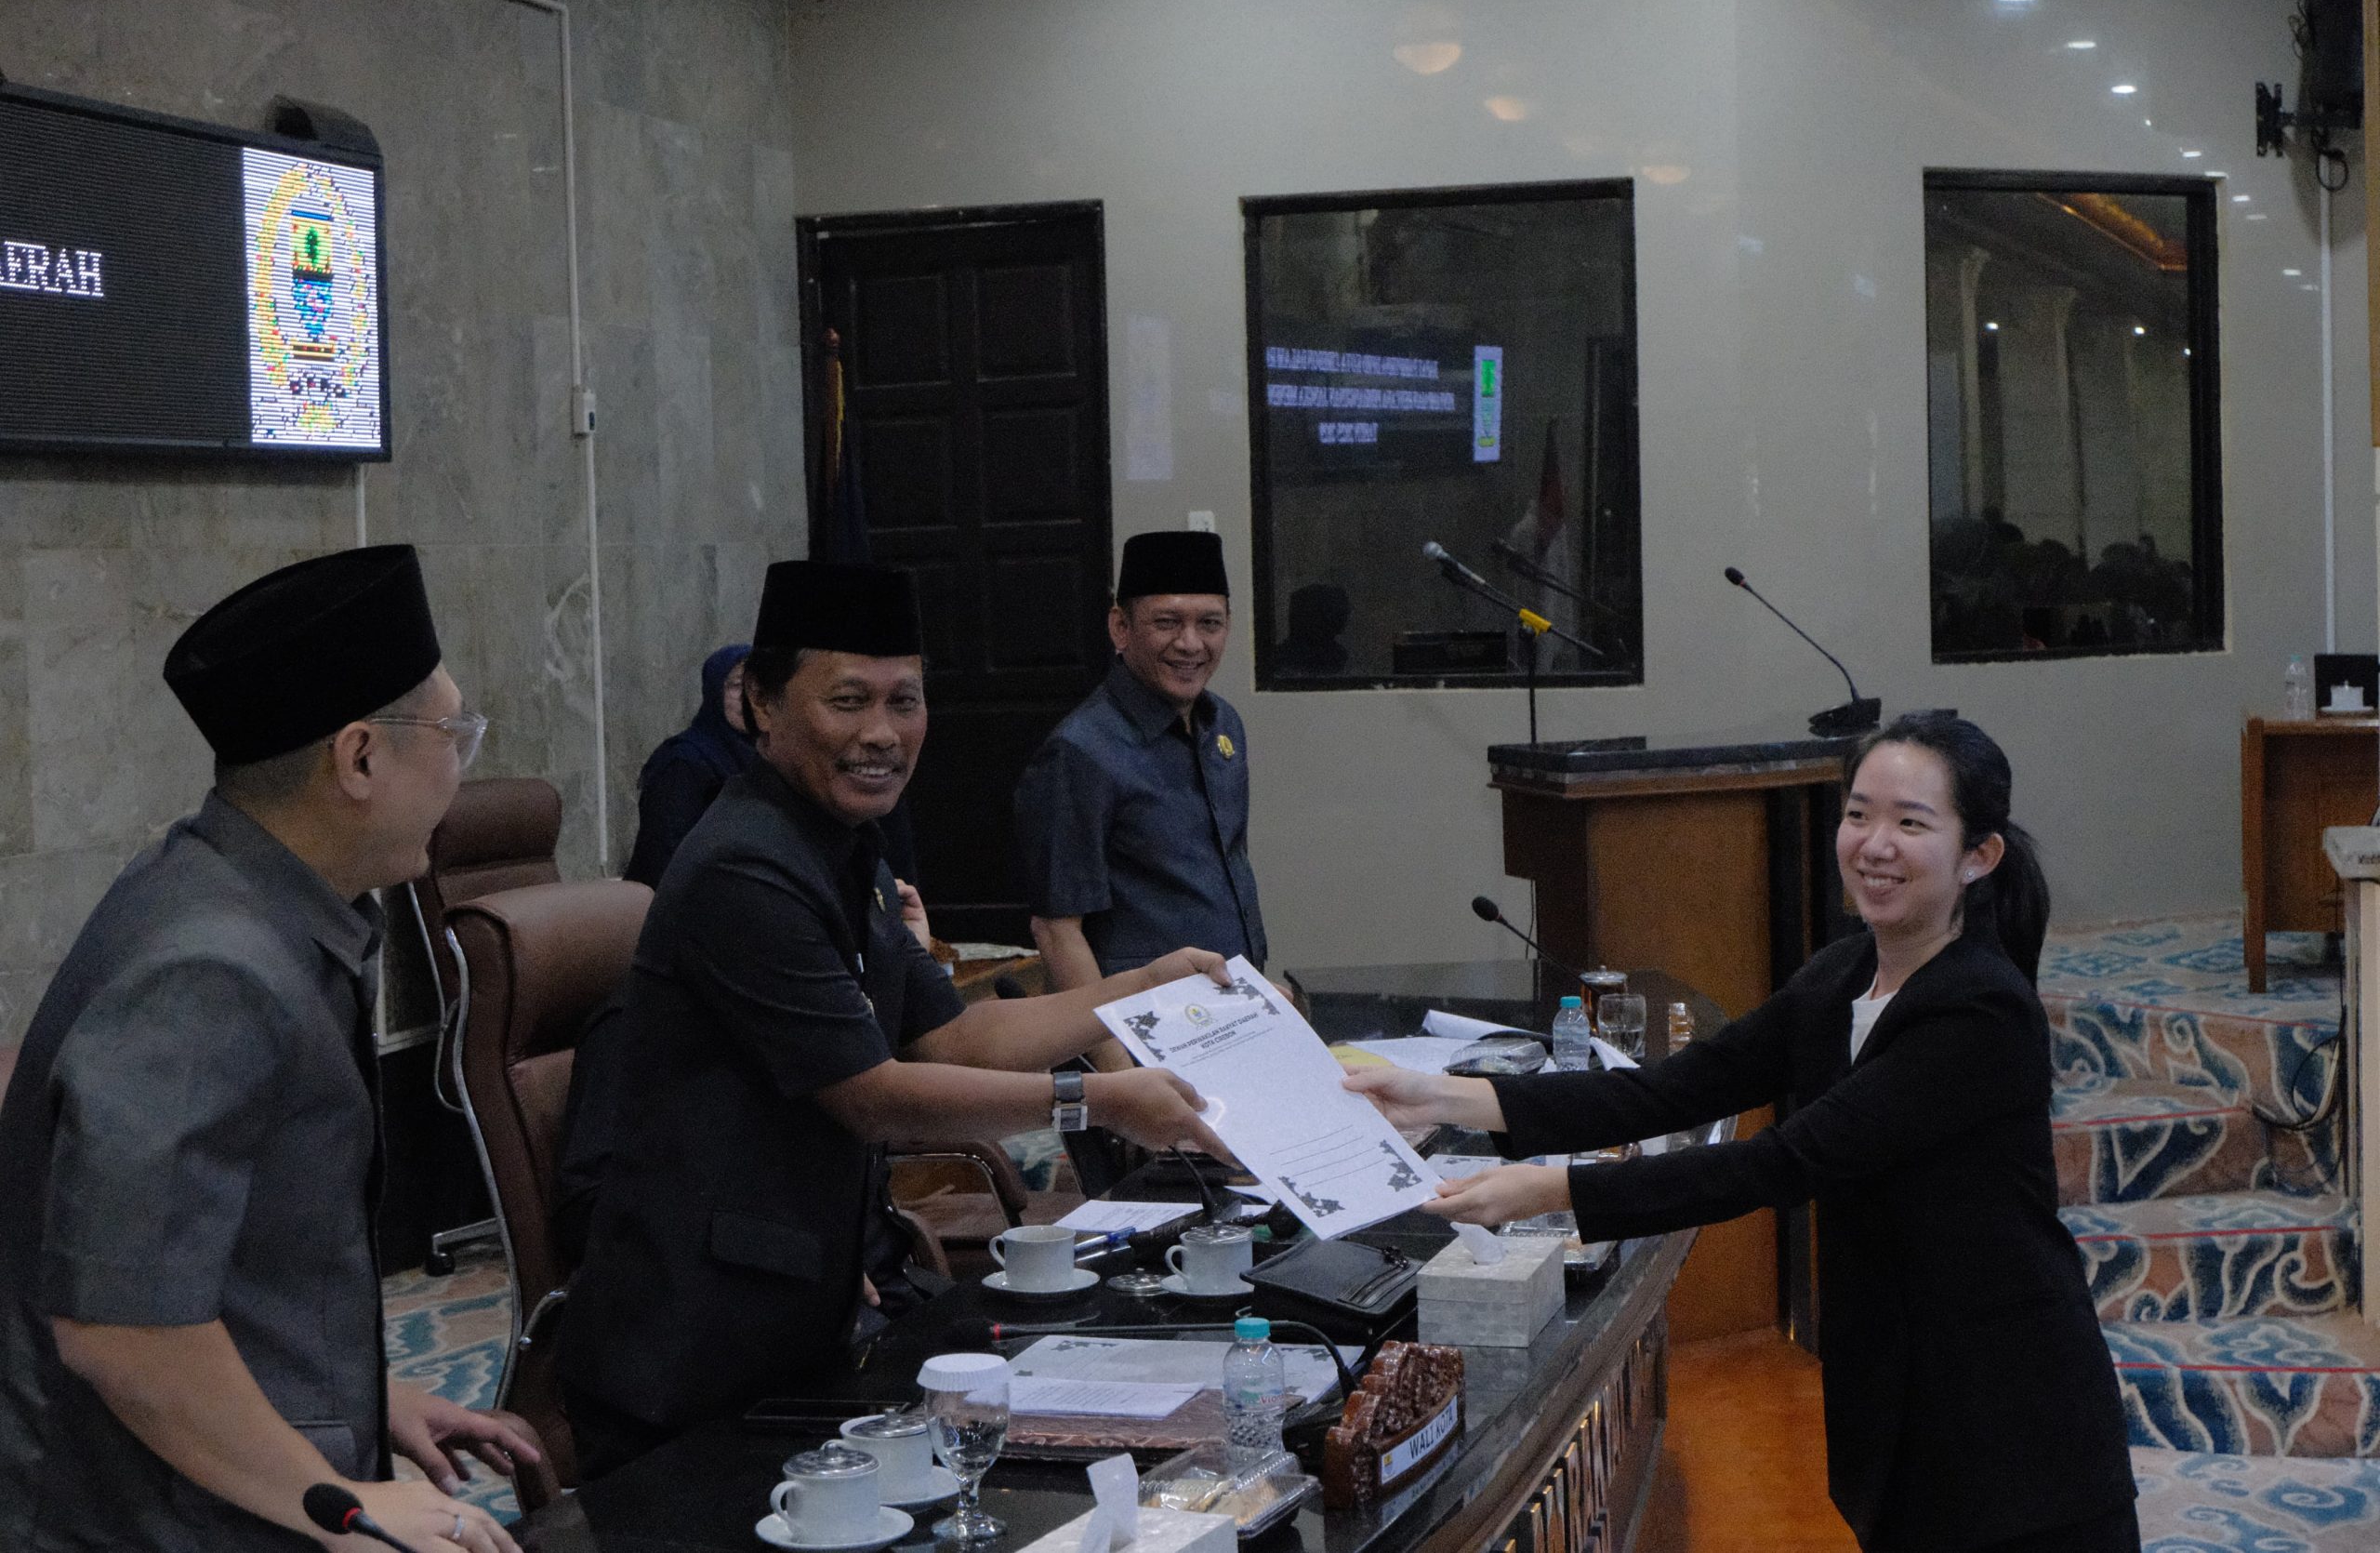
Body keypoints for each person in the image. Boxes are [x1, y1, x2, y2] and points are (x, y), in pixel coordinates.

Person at [1346, 712, 2138, 1553]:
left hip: (2011, 1419)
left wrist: (1552, 1191)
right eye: (1858, 814)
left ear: (1978, 855)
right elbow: (1674, 1090)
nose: (1874, 845)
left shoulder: (1980, 1010)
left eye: (1911, 823)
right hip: (1896, 1387)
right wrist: (1445, 1097)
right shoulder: (1844, 974)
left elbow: (1785, 1162)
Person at [558, 559, 1233, 1476]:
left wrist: (1144, 985)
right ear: (761, 704)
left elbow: (955, 1036)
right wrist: (1097, 1101)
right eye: (848, 701)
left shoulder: (843, 849)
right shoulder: (744, 865)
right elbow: (874, 1098)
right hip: (688, 1345)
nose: (881, 733)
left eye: (903, 701)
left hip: (803, 1301)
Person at [0, 546, 541, 1553]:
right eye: (453, 734)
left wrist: (363, 1397)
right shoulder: (207, 968)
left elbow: (242, 1265)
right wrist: (334, 1498)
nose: (462, 768)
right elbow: (122, 1328)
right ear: (360, 758)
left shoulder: (246, 900)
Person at [1015, 531, 1266, 1028]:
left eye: (1210, 623)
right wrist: (1114, 1061)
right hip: (1142, 1029)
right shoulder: (1080, 751)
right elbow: (1057, 929)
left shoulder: (1223, 725)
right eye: (1166, 623)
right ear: (1121, 627)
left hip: (1228, 1013)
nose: (1190, 644)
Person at [621, 643, 753, 886]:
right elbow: (663, 855)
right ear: (715, 692)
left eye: (755, 686)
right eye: (736, 686)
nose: (747, 697)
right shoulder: (683, 761)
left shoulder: (763, 755)